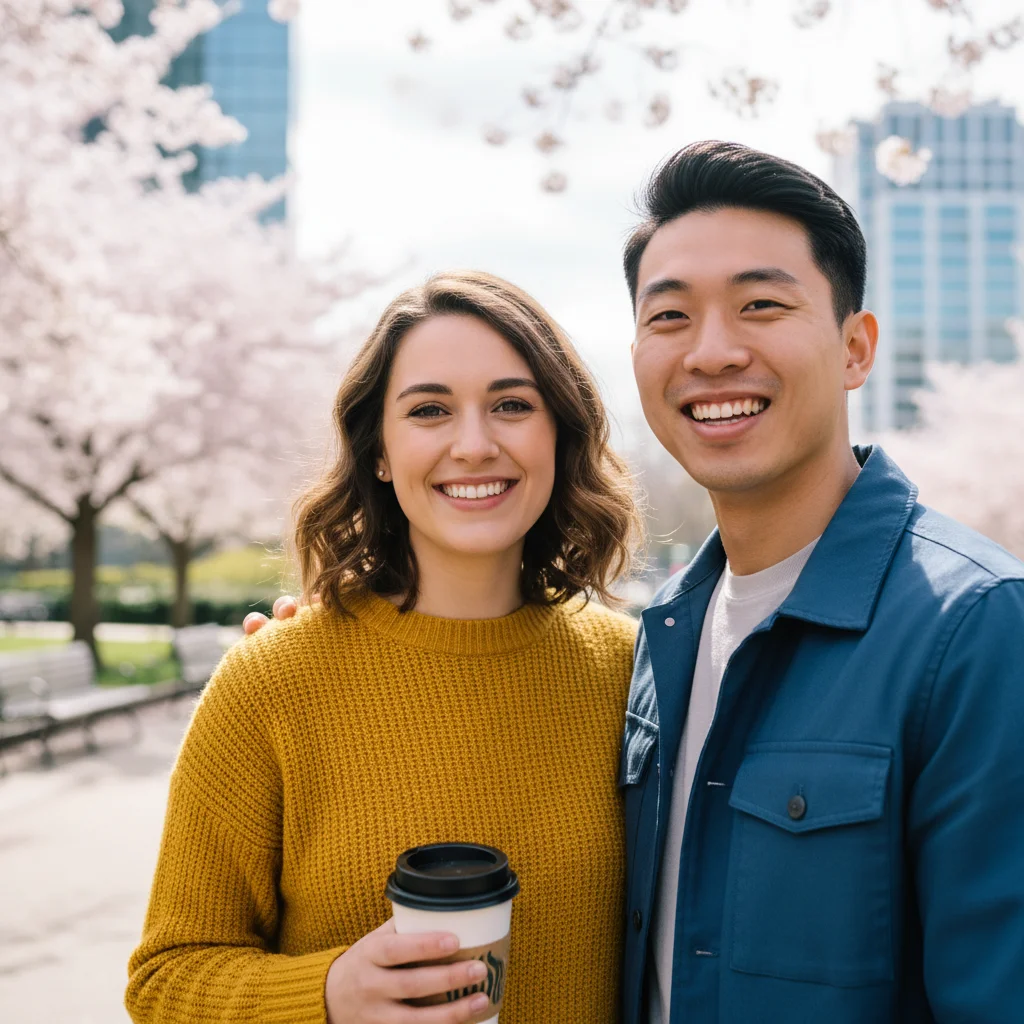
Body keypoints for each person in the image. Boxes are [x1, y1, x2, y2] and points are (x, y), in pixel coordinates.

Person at [250, 141, 1024, 1023]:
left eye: (761, 305)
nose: (713, 352)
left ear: (855, 348)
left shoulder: (977, 630)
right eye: (671, 317)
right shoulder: (655, 643)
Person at [125, 271, 642, 1023]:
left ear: (558, 434)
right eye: (429, 409)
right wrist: (327, 995)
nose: (474, 445)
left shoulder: (635, 674)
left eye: (512, 405)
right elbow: (165, 981)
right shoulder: (270, 682)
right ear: (378, 450)